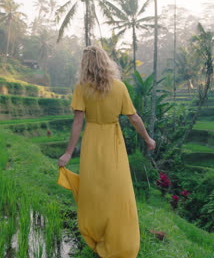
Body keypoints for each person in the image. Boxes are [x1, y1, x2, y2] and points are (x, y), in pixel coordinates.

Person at [57, 45, 156, 257]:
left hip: (92, 141)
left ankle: (98, 232)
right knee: (117, 189)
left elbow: (77, 123)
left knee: (94, 189)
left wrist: (68, 153)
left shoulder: (81, 88)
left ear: (85, 65)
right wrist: (148, 139)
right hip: (113, 140)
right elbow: (134, 118)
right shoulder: (119, 87)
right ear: (106, 62)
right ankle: (118, 236)